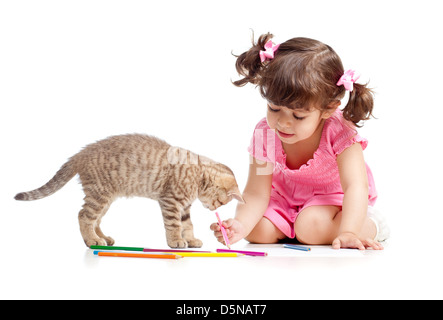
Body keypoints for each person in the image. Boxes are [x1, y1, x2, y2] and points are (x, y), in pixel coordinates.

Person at [211, 33, 389, 250]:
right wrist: (240, 225)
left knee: (310, 226)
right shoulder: (264, 133)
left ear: (328, 108)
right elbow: (256, 192)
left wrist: (348, 231)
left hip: (334, 201)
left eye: (298, 116)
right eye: (274, 109)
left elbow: (355, 186)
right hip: (286, 199)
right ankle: (294, 228)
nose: (283, 123)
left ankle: (370, 225)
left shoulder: (340, 131)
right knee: (256, 230)